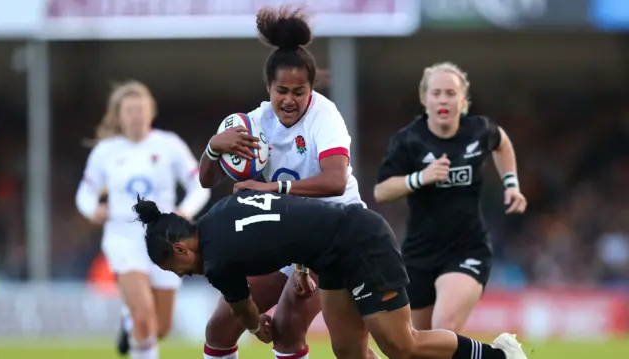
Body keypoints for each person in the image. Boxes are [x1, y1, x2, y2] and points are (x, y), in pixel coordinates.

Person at [133, 190, 528, 359]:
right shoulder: (221, 211)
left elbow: (246, 313)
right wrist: (304, 262)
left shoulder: (217, 261)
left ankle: (497, 355)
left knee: (400, 346)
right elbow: (290, 218)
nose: (182, 276)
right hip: (332, 254)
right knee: (348, 352)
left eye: (175, 268)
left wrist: (258, 327)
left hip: (359, 243)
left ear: (181, 249)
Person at [198, 6, 376, 359]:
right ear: (268, 88)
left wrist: (270, 189)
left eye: (300, 91)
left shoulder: (324, 116)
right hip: (291, 238)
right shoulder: (254, 124)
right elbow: (207, 179)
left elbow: (335, 181)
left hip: (337, 231)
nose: (290, 100)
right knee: (220, 325)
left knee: (295, 329)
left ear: (312, 89)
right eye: (282, 90)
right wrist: (213, 148)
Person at [374, 62, 528, 333]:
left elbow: (501, 142)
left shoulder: (479, 130)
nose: (443, 99)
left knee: (444, 326)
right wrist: (420, 178)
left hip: (467, 249)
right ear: (424, 99)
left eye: (450, 93)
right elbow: (381, 191)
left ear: (463, 99)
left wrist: (511, 184)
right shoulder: (408, 140)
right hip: (419, 254)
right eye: (436, 93)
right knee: (417, 345)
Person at [75, 81, 211, 359]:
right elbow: (85, 192)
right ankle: (133, 319)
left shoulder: (169, 145)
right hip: (124, 239)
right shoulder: (106, 151)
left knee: (160, 327)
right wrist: (93, 210)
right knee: (143, 316)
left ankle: (129, 325)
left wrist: (185, 210)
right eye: (129, 110)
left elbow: (199, 183)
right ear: (119, 116)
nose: (136, 115)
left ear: (151, 112)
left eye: (141, 109)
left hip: (164, 240)